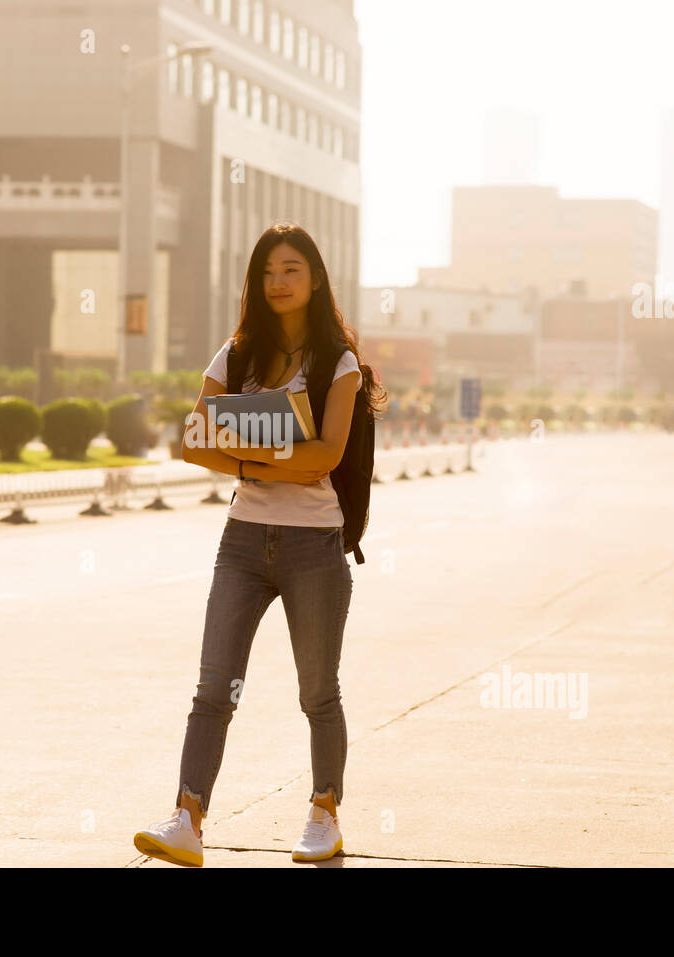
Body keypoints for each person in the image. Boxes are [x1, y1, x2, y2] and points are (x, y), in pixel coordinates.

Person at [132, 223, 387, 867]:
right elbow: (192, 440)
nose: (279, 282)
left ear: (316, 278)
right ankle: (186, 819)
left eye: (292, 269)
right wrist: (271, 463)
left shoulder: (340, 364)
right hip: (242, 541)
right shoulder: (236, 355)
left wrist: (242, 450)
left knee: (317, 693)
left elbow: (326, 456)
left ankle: (324, 814)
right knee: (214, 687)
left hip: (314, 546)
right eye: (269, 271)